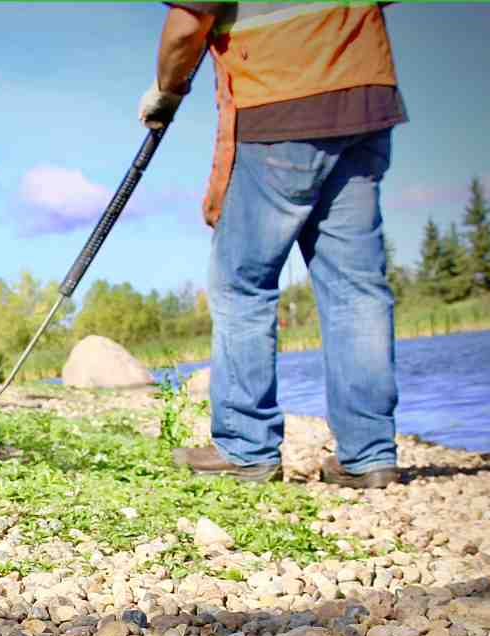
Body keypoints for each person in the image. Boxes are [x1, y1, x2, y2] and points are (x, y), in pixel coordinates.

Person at [143, 2, 406, 489]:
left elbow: (185, 28)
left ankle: (247, 447)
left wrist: (168, 89)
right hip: (366, 98)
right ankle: (370, 456)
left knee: (242, 284)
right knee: (356, 288)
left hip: (281, 103)